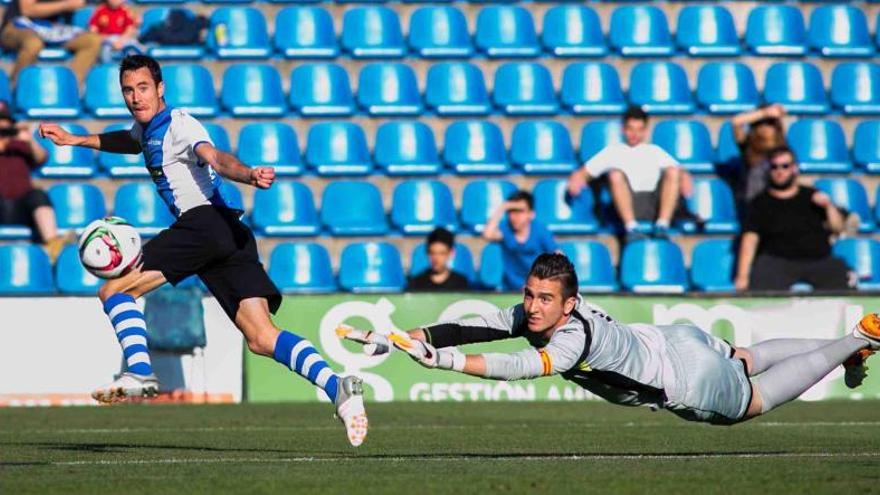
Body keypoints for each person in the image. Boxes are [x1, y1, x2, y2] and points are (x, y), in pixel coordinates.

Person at [38, 55, 367, 447]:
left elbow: (214, 156)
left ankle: (140, 371)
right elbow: (129, 141)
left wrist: (246, 173)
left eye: (143, 88)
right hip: (231, 231)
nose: (135, 97)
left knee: (114, 290)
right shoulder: (145, 129)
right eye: (128, 90)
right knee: (261, 338)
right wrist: (77, 140)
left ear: (161, 89)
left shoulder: (180, 124)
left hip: (204, 224)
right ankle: (338, 388)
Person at [340, 253, 877, 426]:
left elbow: (520, 369)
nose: (531, 307)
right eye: (529, 295)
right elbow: (475, 323)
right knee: (745, 356)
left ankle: (855, 338)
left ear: (568, 304)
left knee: (752, 401)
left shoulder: (570, 339)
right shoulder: (544, 313)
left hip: (684, 377)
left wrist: (446, 362)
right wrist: (401, 338)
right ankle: (845, 344)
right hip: (677, 339)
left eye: (544, 300)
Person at [735, 146, 853, 293]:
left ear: (794, 168)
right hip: (777, 261)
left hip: (818, 259)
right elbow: (750, 239)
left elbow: (838, 228)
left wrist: (828, 206)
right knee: (761, 286)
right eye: (774, 167)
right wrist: (742, 276)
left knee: (842, 277)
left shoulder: (812, 196)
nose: (780, 171)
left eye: (785, 166)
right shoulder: (760, 203)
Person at [567, 106, 690, 241]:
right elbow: (583, 172)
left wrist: (684, 177)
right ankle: (631, 227)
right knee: (615, 174)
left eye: (639, 129)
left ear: (645, 130)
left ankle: (662, 225)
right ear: (623, 129)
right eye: (630, 129)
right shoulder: (613, 151)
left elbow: (678, 170)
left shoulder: (654, 150)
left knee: (673, 171)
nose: (634, 134)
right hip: (627, 204)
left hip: (653, 203)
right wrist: (576, 180)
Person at [0, 109, 67, 261]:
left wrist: (29, 140)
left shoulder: (21, 145)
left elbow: (41, 157)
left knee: (38, 195)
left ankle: (52, 245)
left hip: (23, 207)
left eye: (7, 129)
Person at [0, 0, 102, 84]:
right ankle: (17, 88)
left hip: (52, 29)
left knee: (92, 41)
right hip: (18, 26)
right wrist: (67, 4)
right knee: (33, 43)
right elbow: (27, 9)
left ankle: (68, 89)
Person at [482, 190, 557, 291]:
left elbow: (558, 255)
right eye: (511, 211)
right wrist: (503, 207)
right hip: (510, 289)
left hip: (538, 289)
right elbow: (487, 234)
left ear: (531, 214)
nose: (515, 216)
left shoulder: (540, 230)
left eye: (520, 211)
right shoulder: (506, 229)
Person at [729, 104, 788, 205]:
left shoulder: (783, 150)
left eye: (770, 123)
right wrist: (764, 113)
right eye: (760, 123)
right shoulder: (748, 146)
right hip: (754, 203)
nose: (765, 127)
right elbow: (736, 122)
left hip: (778, 203)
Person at [408, 227, 470, 292]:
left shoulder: (460, 284)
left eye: (442, 253)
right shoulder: (417, 283)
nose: (436, 258)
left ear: (451, 253)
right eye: (432, 253)